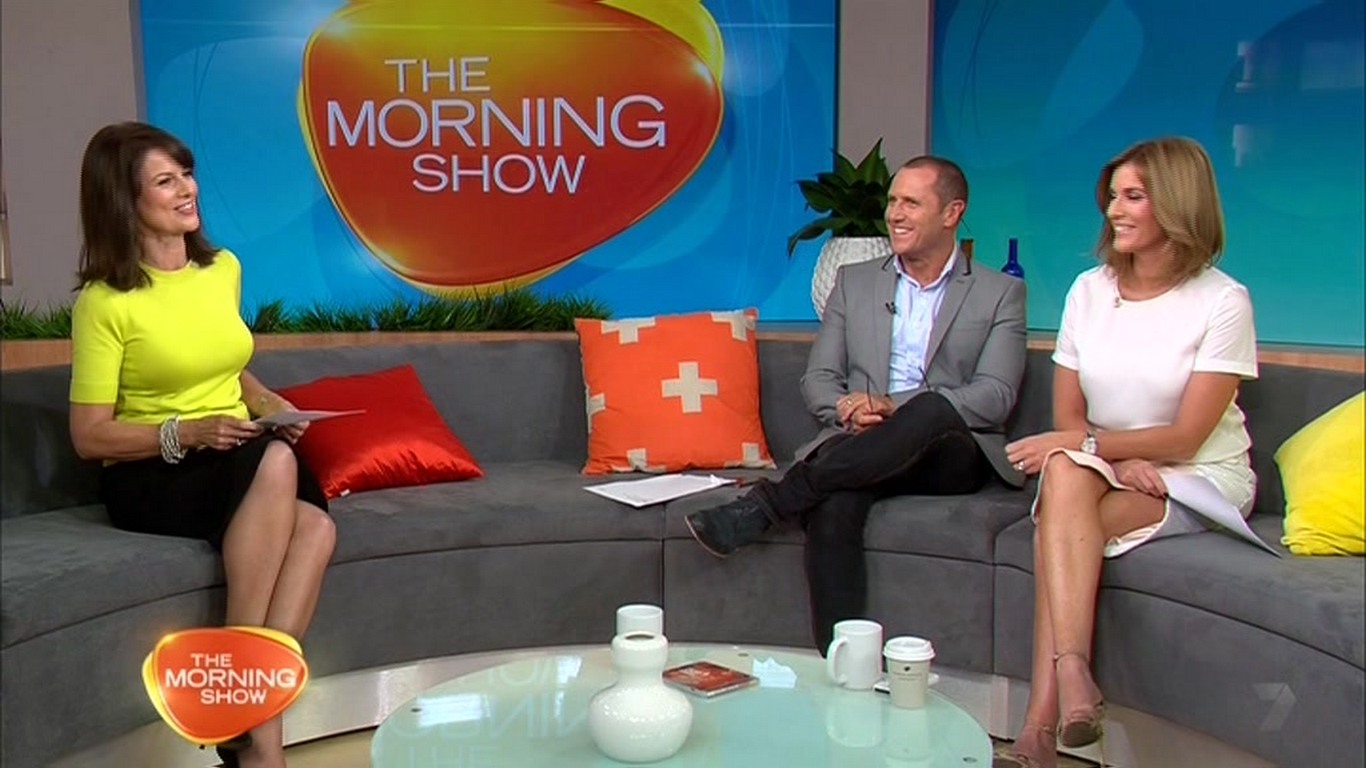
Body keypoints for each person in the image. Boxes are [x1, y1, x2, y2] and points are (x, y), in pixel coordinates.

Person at [68, 121, 336, 768]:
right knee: (278, 467)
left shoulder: (222, 269)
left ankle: (246, 719)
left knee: (317, 527)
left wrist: (269, 404)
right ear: (125, 201)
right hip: (153, 470)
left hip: (235, 452)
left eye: (186, 173)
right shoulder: (105, 304)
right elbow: (88, 435)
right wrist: (187, 432)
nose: (188, 189)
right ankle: (252, 724)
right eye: (166, 181)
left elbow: (226, 369)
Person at [685, 155, 1028, 651]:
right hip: (860, 442)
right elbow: (819, 379)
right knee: (835, 502)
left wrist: (892, 406)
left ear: (952, 213)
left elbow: (994, 395)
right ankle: (841, 665)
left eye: (911, 203)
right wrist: (849, 408)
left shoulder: (1000, 293)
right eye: (892, 201)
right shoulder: (855, 281)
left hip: (950, 452)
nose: (895, 214)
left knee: (930, 409)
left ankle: (769, 503)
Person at [995, 137, 1257, 768]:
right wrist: (1108, 460)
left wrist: (1095, 451)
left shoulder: (1224, 301)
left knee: (1059, 528)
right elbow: (1068, 418)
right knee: (1066, 482)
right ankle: (1073, 676)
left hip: (1197, 474)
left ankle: (1039, 725)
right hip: (1103, 466)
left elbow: (1186, 437)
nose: (1114, 209)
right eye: (1113, 195)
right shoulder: (1089, 290)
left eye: (1133, 196)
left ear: (1177, 203)